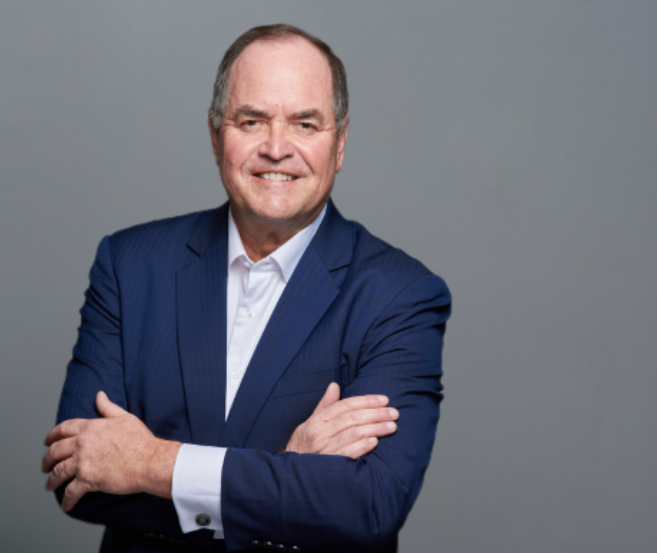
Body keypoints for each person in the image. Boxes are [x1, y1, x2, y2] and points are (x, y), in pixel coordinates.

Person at [40, 24, 451, 553]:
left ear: (340, 143)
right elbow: (79, 474)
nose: (276, 149)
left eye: (305, 124)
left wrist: (148, 463)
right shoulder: (130, 265)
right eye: (252, 121)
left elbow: (368, 506)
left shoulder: (399, 295)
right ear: (216, 137)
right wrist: (289, 472)